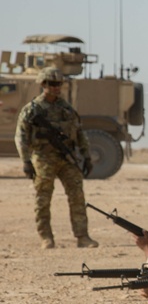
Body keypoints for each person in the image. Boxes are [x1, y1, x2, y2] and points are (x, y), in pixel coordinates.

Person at [15, 66, 97, 249]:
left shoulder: (66, 109)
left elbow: (79, 133)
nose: (55, 87)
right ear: (43, 84)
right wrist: (26, 161)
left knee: (77, 196)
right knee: (43, 198)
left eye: (58, 84)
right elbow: (20, 136)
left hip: (66, 159)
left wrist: (86, 156)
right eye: (52, 84)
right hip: (43, 159)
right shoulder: (32, 110)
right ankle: (46, 237)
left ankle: (82, 237)